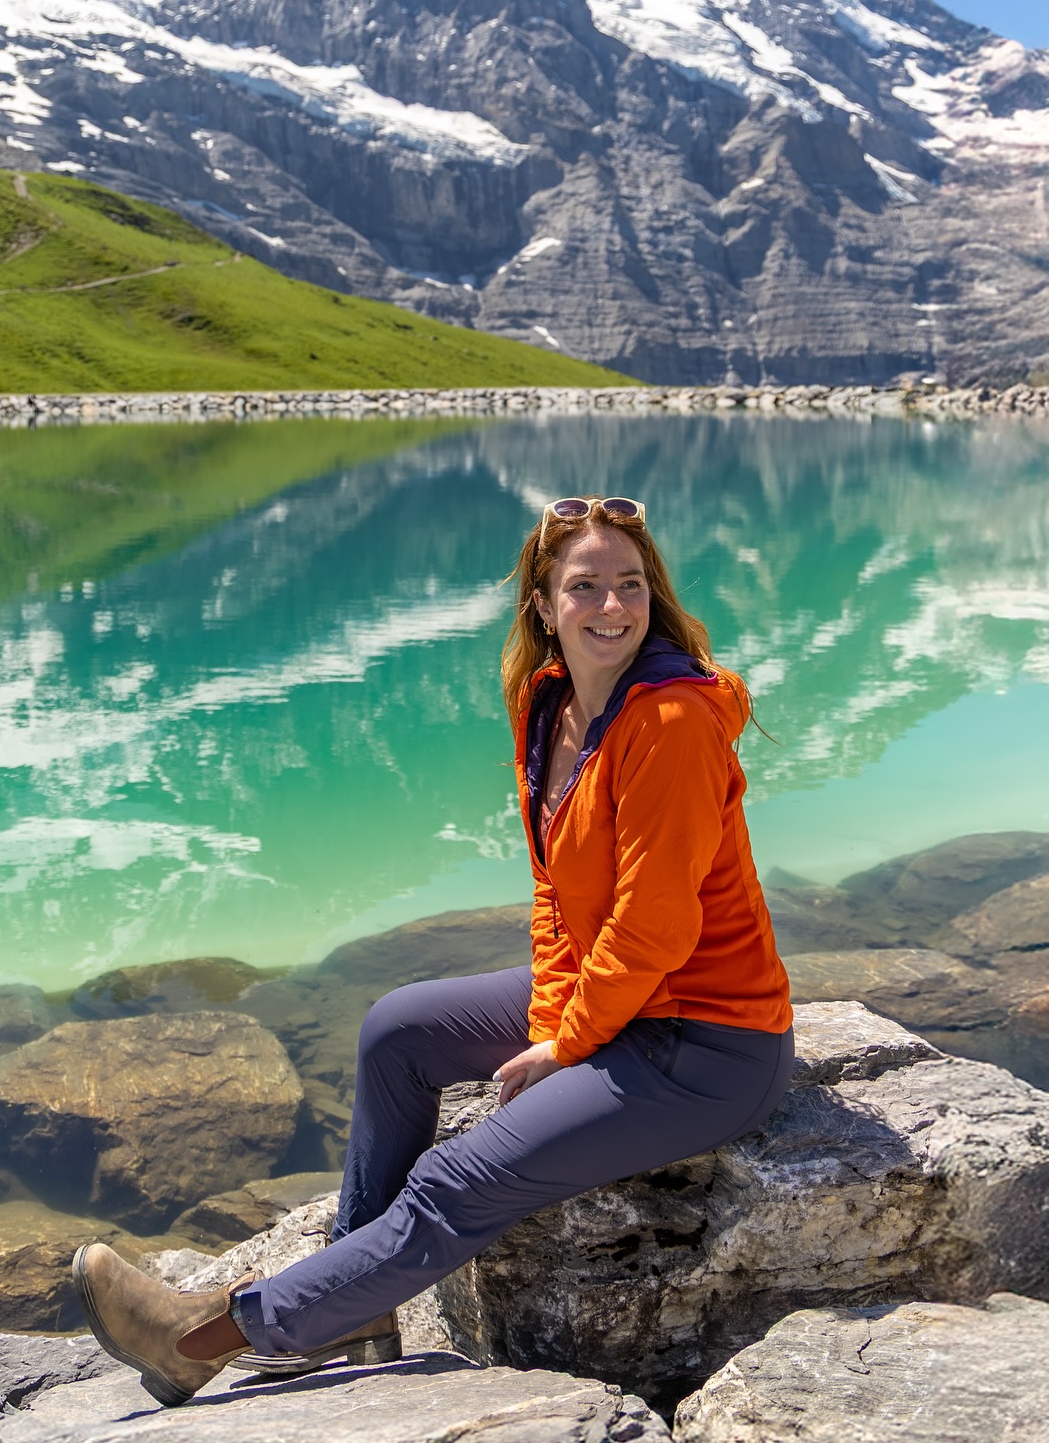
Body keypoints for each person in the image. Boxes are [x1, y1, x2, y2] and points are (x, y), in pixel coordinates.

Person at [71, 495, 794, 1407]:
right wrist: (556, 1022)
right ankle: (354, 1307)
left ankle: (203, 1337)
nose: (612, 606)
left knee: (456, 1176)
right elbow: (555, 892)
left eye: (631, 584)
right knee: (398, 1031)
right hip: (623, 1000)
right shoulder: (551, 703)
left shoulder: (673, 721)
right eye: (585, 586)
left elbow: (656, 925)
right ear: (544, 605)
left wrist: (570, 1046)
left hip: (707, 1045)